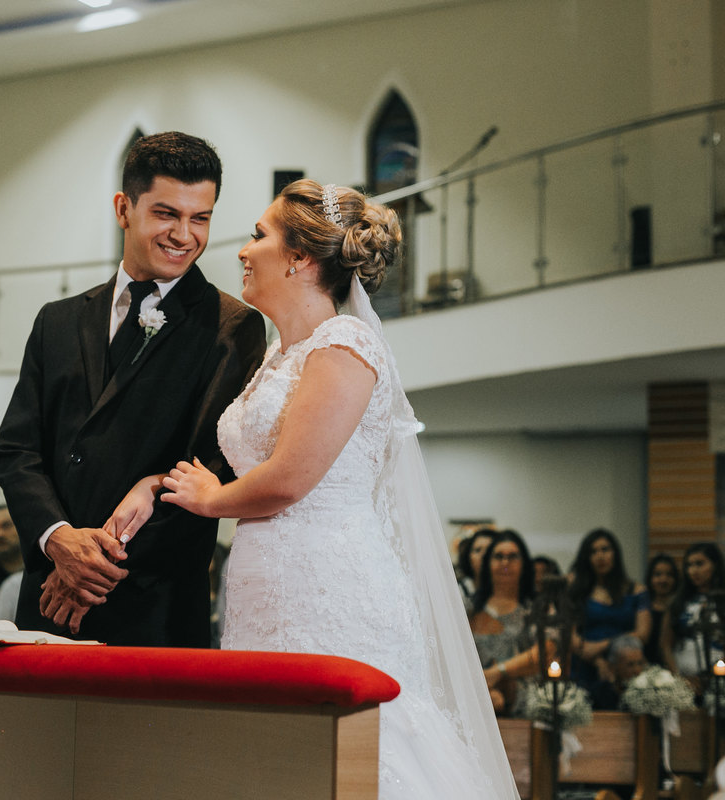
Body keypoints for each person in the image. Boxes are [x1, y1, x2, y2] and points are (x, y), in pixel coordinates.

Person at [161, 181, 518, 797]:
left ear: (299, 258)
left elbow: (292, 476)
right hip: (265, 587)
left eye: (258, 236)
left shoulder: (345, 343)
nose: (243, 250)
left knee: (353, 760)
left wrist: (210, 499)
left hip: (328, 583)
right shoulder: (277, 356)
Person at [0, 131, 266, 646]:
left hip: (150, 607)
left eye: (200, 218)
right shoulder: (57, 320)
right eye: (166, 214)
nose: (184, 235)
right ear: (124, 208)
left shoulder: (231, 326)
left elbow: (210, 469)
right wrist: (58, 541)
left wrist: (92, 572)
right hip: (48, 596)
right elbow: (16, 450)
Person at [567, 528, 651, 692]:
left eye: (605, 549)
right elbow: (572, 639)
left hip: (626, 667)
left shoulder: (636, 590)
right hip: (584, 667)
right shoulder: (577, 591)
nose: (600, 556)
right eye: (593, 552)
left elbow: (642, 634)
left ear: (615, 553)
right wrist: (598, 661)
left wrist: (605, 644)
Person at [469, 530, 538, 715]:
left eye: (512, 556)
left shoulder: (536, 608)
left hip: (526, 707)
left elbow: (545, 652)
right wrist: (484, 690)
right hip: (476, 703)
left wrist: (496, 673)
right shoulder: (469, 609)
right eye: (498, 556)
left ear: (524, 563)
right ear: (488, 563)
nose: (505, 562)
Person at [662, 542, 725, 689]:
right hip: (684, 678)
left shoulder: (722, 599)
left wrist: (713, 675)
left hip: (719, 678)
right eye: (689, 565)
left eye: (699, 564)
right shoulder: (678, 602)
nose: (693, 571)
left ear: (715, 565)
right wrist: (678, 677)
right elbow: (665, 644)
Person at [644, 553, 680, 665]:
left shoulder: (681, 609)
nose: (663, 580)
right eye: (658, 574)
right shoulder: (642, 610)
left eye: (669, 575)